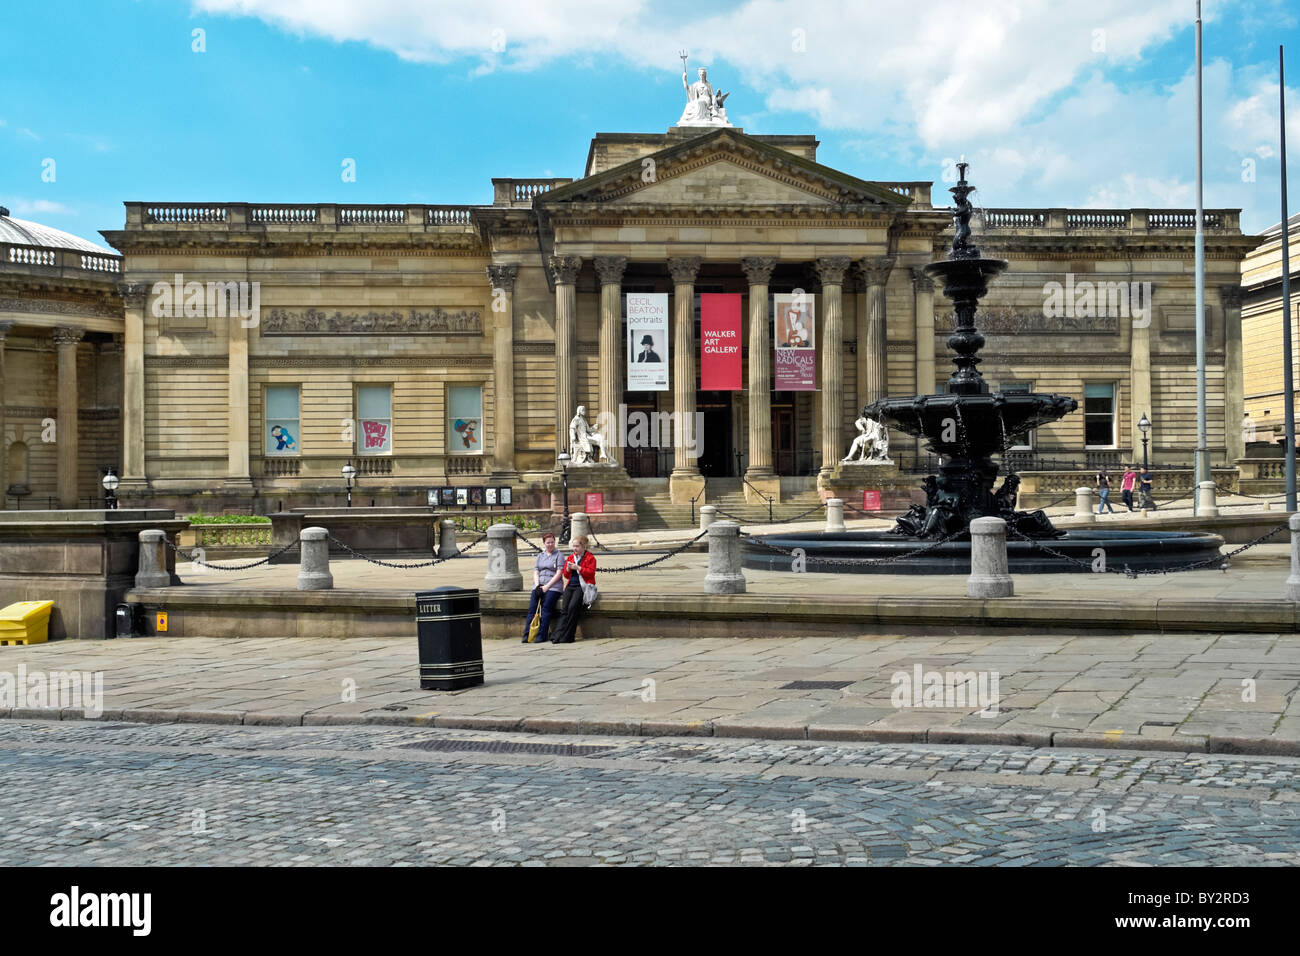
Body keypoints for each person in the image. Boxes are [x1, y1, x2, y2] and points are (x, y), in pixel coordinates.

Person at [521, 531, 564, 644]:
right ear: (544, 543)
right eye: (548, 542)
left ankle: (541, 635)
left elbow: (559, 573)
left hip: (553, 586)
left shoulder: (559, 555)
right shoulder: (540, 555)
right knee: (532, 609)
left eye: (552, 542)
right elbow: (536, 571)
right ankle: (527, 634)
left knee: (545, 609)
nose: (550, 544)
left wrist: (546, 587)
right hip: (539, 585)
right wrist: (537, 586)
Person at [552, 535, 596, 644]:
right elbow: (566, 576)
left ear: (584, 546)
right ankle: (557, 635)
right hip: (571, 585)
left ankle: (568, 636)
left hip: (582, 586)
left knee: (572, 608)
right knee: (564, 610)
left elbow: (591, 573)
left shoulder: (590, 557)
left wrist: (579, 568)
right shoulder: (571, 557)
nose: (574, 548)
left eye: (577, 546)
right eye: (574, 546)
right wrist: (567, 569)